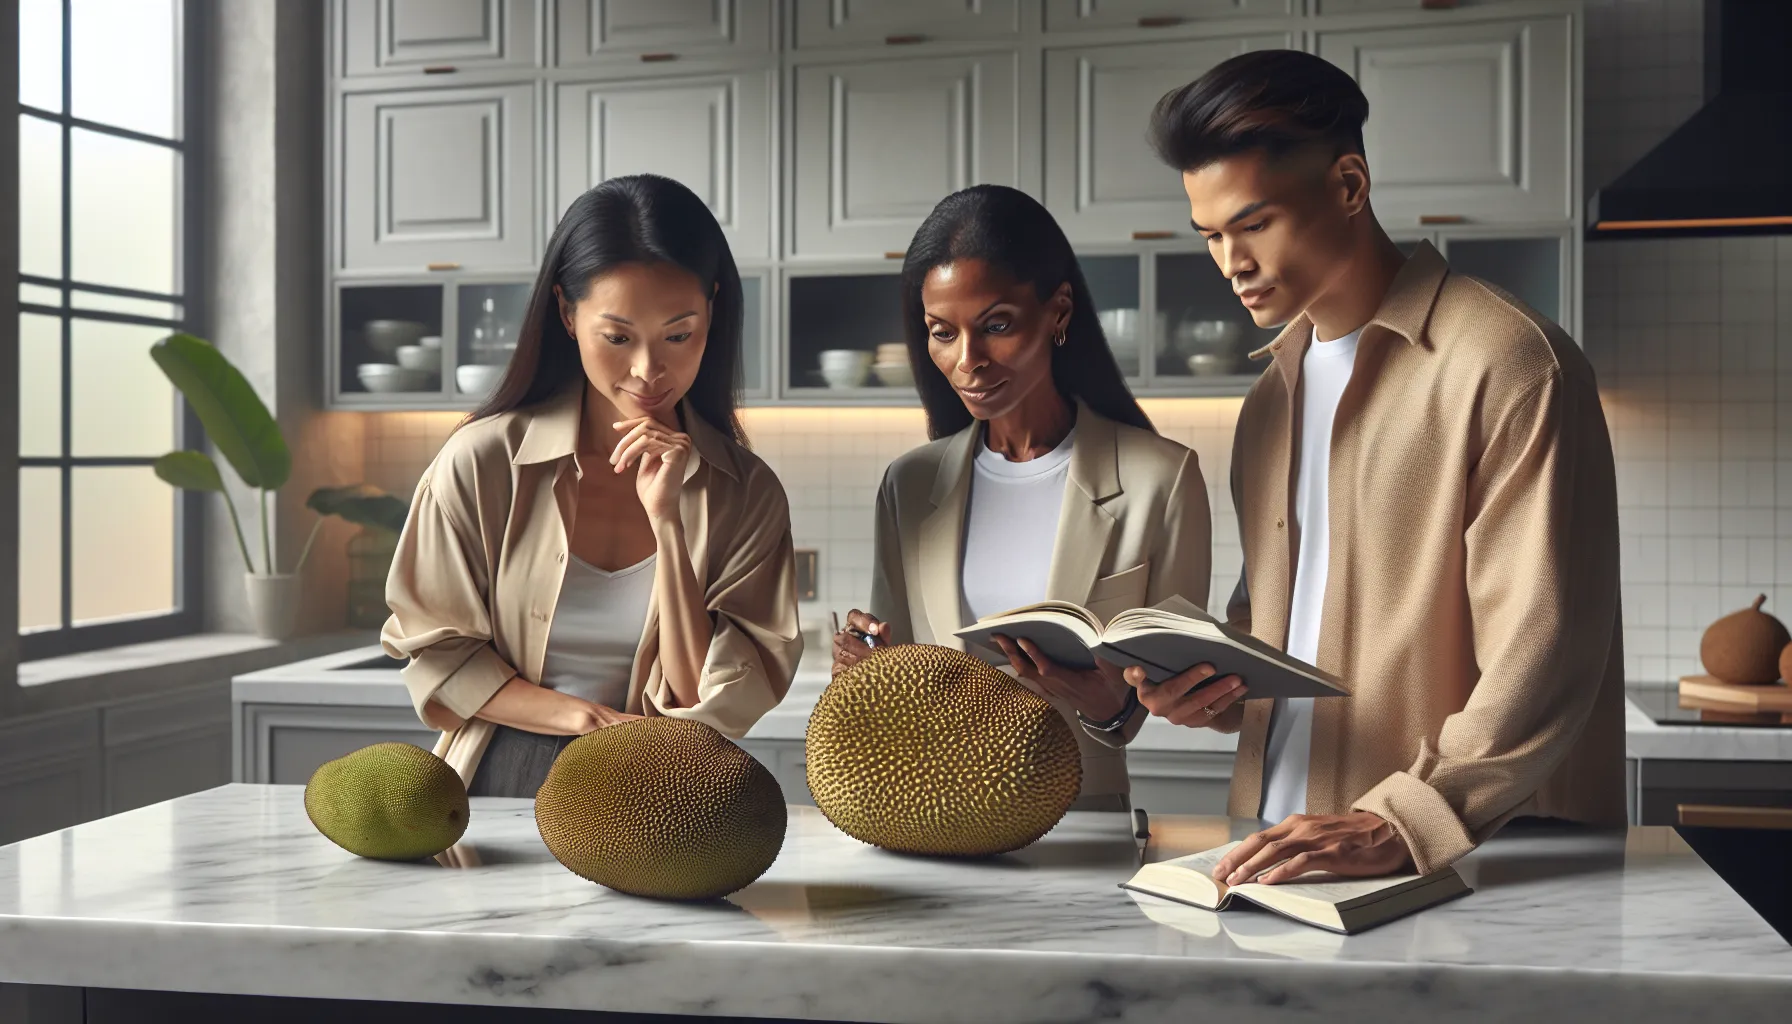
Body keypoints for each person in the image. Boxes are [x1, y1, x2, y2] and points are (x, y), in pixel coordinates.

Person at [1133, 50, 1625, 883]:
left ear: (1350, 185)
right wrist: (1211, 691)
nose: (1230, 263)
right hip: (1272, 854)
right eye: (1211, 235)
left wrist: (1402, 823)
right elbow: (1281, 639)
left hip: (1461, 867)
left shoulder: (1511, 363)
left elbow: (1543, 658)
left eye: (1254, 224)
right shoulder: (1267, 404)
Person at [380, 174, 803, 797]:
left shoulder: (746, 492)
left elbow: (699, 701)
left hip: (660, 796)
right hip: (496, 785)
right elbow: (439, 655)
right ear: (566, 312)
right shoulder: (483, 461)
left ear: (713, 309)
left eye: (679, 335)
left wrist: (669, 523)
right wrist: (586, 719)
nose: (648, 370)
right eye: (618, 337)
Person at [832, 184, 1213, 812]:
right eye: (941, 333)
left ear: (1058, 311)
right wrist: (866, 661)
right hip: (932, 816)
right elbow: (895, 682)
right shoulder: (910, 484)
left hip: (1078, 820)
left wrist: (1099, 701)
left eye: (996, 326)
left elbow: (1165, 701)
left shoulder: (1160, 479)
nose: (967, 362)